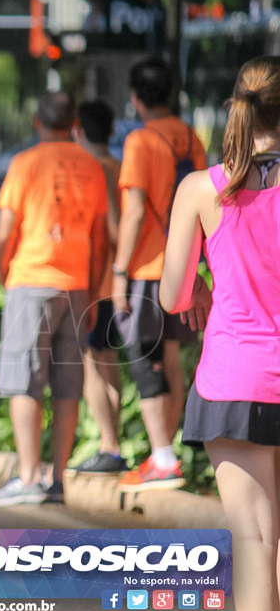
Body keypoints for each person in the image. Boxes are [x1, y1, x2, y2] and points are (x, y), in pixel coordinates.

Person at [160, 56, 280, 611]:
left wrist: (207, 285)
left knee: (254, 538)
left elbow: (173, 296)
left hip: (236, 379)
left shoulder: (203, 190)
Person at [0, 91, 108, 506]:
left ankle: (27, 476)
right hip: (77, 285)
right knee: (67, 383)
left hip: (31, 279)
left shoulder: (24, 163)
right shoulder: (91, 166)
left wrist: (5, 273)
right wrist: (92, 291)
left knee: (25, 380)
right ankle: (58, 479)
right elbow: (100, 238)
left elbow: (6, 232)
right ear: (74, 124)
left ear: (37, 122)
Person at [112, 57, 207, 492]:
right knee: (170, 358)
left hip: (149, 268)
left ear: (136, 98)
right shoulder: (190, 137)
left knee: (144, 359)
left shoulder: (140, 140)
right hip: (185, 265)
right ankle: (165, 452)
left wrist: (118, 272)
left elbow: (133, 213)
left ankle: (163, 457)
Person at [69, 99, 128, 474]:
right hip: (116, 280)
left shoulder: (96, 168)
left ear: (77, 129)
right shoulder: (120, 164)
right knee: (107, 362)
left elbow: (111, 226)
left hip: (99, 282)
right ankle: (114, 447)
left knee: (92, 363)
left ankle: (110, 447)